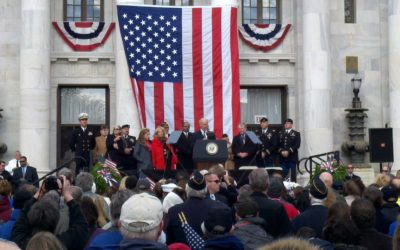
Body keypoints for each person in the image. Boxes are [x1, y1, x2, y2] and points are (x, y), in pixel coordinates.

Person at [11, 175, 89, 250]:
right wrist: (67, 195)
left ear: (31, 218)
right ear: (56, 219)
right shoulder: (63, 243)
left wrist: (39, 193)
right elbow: (81, 226)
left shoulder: (22, 243)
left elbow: (21, 221)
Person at [166, 170, 217, 245]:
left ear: (187, 189)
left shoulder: (175, 211)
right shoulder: (217, 208)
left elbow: (170, 242)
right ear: (206, 189)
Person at [248, 168, 292, 238]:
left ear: (250, 185)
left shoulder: (240, 204)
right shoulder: (277, 207)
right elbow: (286, 234)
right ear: (268, 184)